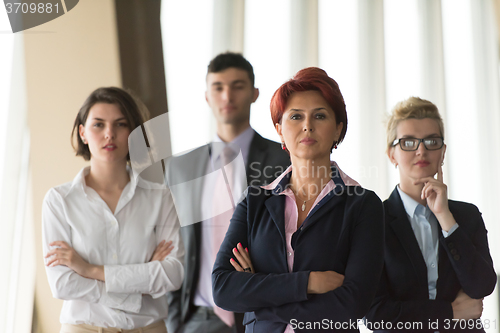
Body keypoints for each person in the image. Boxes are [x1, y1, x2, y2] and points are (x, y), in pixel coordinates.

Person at [211, 67, 385, 332]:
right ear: (279, 130)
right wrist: (309, 283)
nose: (307, 125)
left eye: (320, 115)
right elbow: (223, 288)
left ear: (338, 129)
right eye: (296, 116)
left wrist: (258, 295)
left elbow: (353, 304)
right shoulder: (255, 202)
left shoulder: (363, 205)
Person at [42, 87, 184, 333]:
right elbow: (62, 283)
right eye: (98, 125)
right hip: (83, 328)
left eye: (120, 124)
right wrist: (141, 282)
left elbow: (173, 273)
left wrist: (90, 270)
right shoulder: (59, 201)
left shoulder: (160, 197)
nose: (110, 134)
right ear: (83, 133)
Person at [166, 52, 290, 333]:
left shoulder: (283, 160)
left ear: (255, 93)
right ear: (207, 96)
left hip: (260, 314)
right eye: (218, 87)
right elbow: (172, 243)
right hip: (195, 319)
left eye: (237, 86)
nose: (227, 96)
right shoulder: (180, 168)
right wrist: (175, 321)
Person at [365, 97, 496, 332]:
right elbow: (375, 314)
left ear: (443, 152)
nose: (421, 150)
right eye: (408, 142)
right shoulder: (374, 221)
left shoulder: (466, 215)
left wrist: (445, 218)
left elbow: (482, 286)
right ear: (391, 154)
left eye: (431, 141)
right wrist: (451, 313)